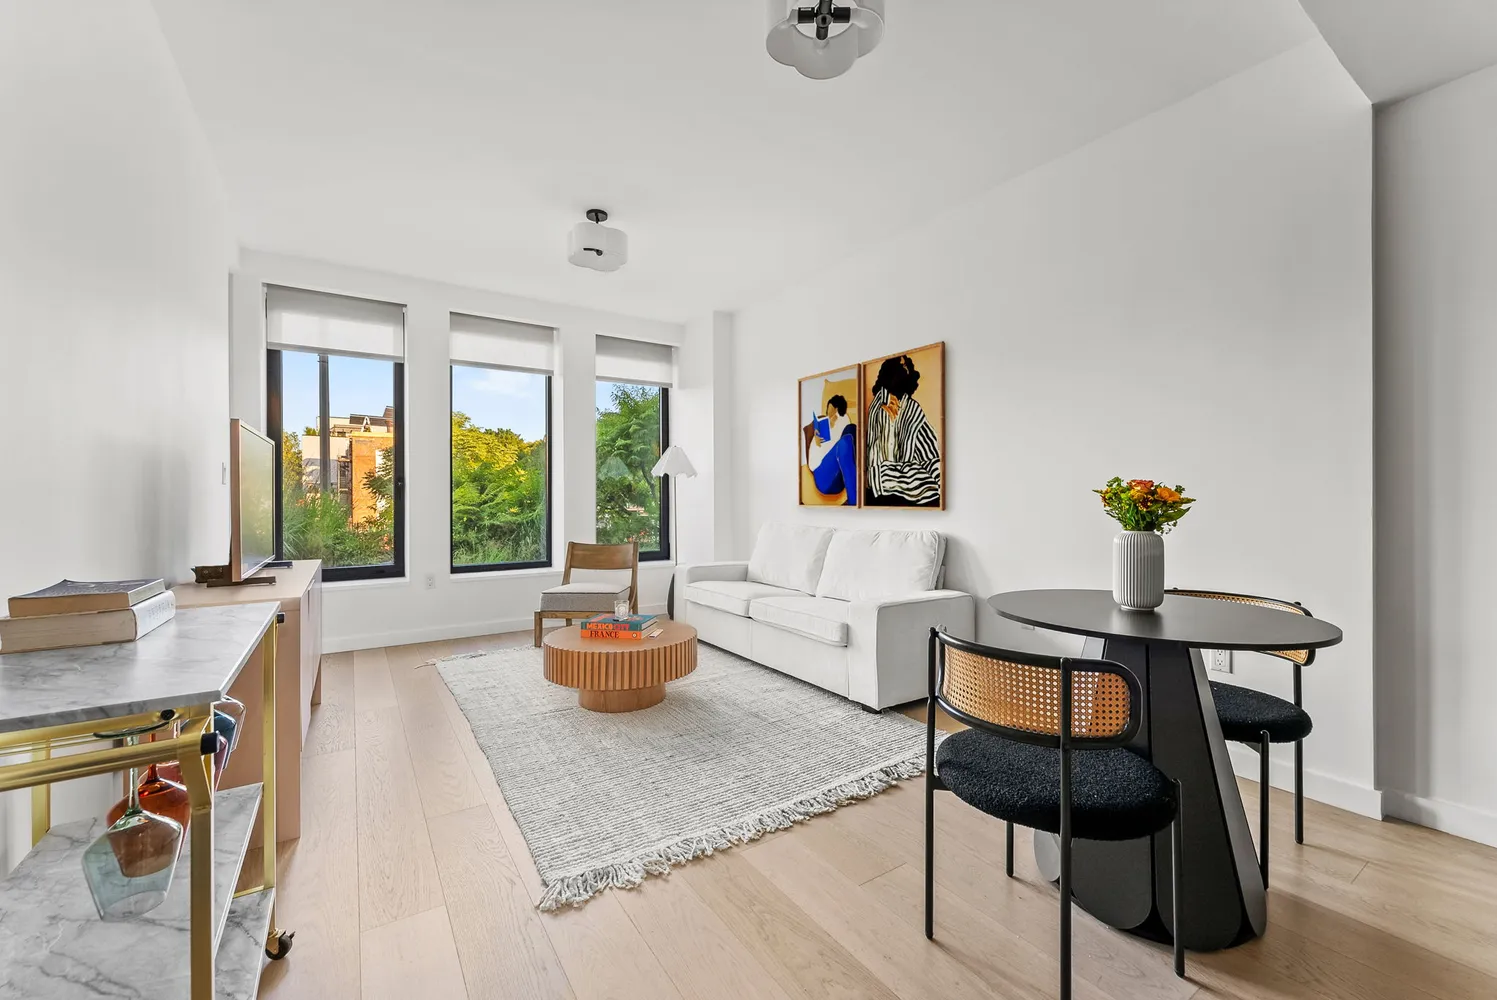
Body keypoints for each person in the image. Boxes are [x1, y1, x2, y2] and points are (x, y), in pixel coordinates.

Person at [865, 354, 940, 506]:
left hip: (908, 473)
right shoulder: (878, 407)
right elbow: (874, 456)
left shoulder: (912, 408)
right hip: (883, 478)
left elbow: (930, 452)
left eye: (906, 367)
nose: (904, 370)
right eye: (901, 367)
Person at [807, 394, 858, 505]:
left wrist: (836, 424)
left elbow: (847, 450)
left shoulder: (844, 424)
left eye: (834, 411)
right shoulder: (820, 432)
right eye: (829, 412)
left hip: (838, 480)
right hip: (822, 478)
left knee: (851, 430)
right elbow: (812, 465)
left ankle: (856, 498)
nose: (831, 415)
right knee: (844, 442)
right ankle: (854, 501)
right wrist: (817, 445)